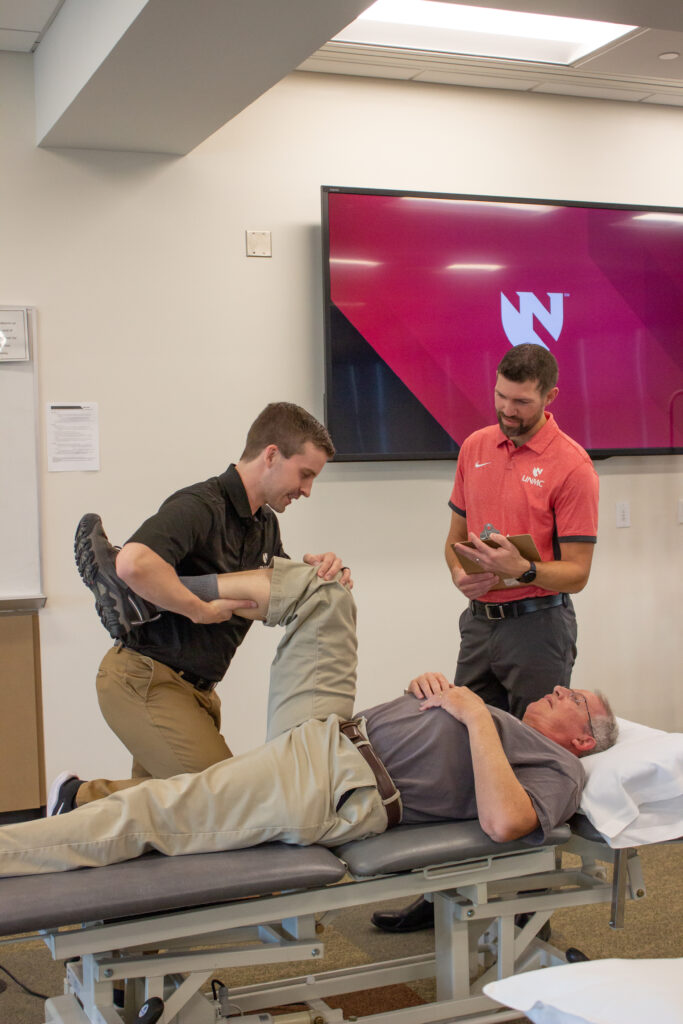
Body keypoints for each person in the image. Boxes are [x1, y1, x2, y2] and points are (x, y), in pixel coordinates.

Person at [0, 558, 616, 878]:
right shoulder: (508, 727)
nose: (560, 688)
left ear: (583, 739)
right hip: (330, 732)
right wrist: (429, 695)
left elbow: (505, 821)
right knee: (326, 592)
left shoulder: (560, 771)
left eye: (574, 699)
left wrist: (473, 715)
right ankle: (150, 589)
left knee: (154, 814)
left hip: (337, 785)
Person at [372, 342, 599, 932]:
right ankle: (439, 891)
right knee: (454, 749)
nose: (507, 409)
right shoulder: (474, 446)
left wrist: (518, 571)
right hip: (481, 625)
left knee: (525, 764)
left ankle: (529, 918)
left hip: (539, 627)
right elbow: (452, 537)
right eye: (500, 396)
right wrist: (459, 574)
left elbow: (576, 571)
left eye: (520, 402)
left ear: (549, 398)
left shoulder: (573, 466)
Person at [71, 402, 353, 808]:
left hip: (198, 693)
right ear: (271, 455)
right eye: (305, 474)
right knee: (232, 800)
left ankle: (75, 804)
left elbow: (269, 596)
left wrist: (316, 573)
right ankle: (76, 798)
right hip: (146, 680)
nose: (307, 490)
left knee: (167, 816)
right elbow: (133, 561)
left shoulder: (264, 526)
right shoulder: (203, 504)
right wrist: (195, 608)